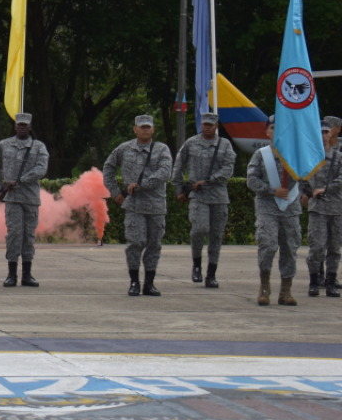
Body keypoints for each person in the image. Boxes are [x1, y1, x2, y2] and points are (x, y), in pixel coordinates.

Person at [103, 115, 173, 297]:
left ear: (153, 129)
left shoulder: (162, 149)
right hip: (134, 205)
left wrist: (142, 185)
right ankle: (134, 281)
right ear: (135, 129)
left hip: (156, 206)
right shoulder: (124, 149)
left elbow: (165, 173)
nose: (145, 130)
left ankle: (149, 283)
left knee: (154, 245)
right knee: (135, 243)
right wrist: (115, 192)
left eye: (148, 127)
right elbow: (108, 168)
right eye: (141, 127)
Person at [172, 112, 237, 289]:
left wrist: (210, 180)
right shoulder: (191, 143)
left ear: (217, 126)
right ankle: (197, 265)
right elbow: (178, 166)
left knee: (216, 236)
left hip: (218, 197)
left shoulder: (225, 145)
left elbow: (228, 169)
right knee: (199, 229)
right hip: (198, 196)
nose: (207, 127)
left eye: (211, 124)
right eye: (205, 124)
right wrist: (179, 190)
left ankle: (211, 274)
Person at [247, 115, 302, 305]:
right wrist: (273, 190)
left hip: (290, 206)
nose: (276, 130)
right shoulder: (261, 155)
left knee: (290, 247)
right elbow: (251, 181)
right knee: (268, 244)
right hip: (267, 207)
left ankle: (285, 291)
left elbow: (305, 176)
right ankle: (264, 287)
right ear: (267, 131)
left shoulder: (295, 155)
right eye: (272, 127)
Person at [0, 113, 49, 288]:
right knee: (14, 234)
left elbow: (41, 169)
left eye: (25, 125)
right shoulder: (4, 145)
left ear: (30, 127)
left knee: (28, 236)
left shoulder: (38, 147)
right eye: (19, 125)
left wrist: (21, 180)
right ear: (15, 126)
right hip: (13, 199)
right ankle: (11, 274)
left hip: (30, 198)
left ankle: (27, 275)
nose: (22, 127)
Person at [305, 120, 342, 297]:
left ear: (330, 134)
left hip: (336, 208)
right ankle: (314, 281)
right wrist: (306, 193)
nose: (323, 135)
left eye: (326, 132)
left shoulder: (339, 157)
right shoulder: (309, 158)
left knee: (334, 247)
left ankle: (331, 282)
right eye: (320, 132)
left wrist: (326, 189)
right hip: (317, 208)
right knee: (317, 246)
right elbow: (301, 179)